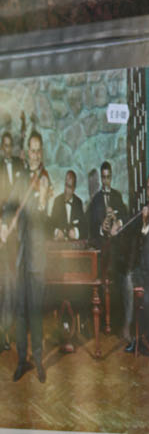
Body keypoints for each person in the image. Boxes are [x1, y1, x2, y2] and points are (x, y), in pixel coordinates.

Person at [0, 131, 51, 382]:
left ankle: (38, 360)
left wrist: (42, 201)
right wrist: (3, 224)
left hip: (37, 257)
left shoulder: (45, 179)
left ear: (42, 153)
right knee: (20, 311)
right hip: (20, 257)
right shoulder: (21, 178)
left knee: (35, 311)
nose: (35, 154)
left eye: (38, 150)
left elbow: (44, 220)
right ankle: (22, 361)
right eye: (32, 150)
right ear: (27, 152)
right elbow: (10, 205)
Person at [115, 172, 149, 370]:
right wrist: (121, 224)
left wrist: (146, 222)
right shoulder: (146, 211)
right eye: (148, 189)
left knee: (147, 303)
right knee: (126, 281)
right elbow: (134, 228)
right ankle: (134, 337)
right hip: (142, 269)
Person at [88, 160, 126, 333]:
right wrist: (101, 228)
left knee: (117, 284)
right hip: (103, 250)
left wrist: (117, 221)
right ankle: (104, 323)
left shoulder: (117, 196)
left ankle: (117, 323)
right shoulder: (96, 200)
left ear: (111, 177)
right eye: (103, 178)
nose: (106, 181)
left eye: (108, 177)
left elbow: (125, 217)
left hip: (116, 250)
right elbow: (91, 227)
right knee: (103, 285)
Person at [0, 133, 22, 352]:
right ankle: (3, 333)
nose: (7, 150)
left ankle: (11, 330)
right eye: (5, 146)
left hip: (15, 233)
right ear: (1, 148)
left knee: (13, 283)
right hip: (2, 234)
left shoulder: (18, 165)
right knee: (4, 284)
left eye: (10, 146)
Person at [51, 170, 84, 241]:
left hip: (74, 245)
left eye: (69, 187)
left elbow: (83, 226)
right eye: (66, 185)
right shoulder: (57, 201)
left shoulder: (78, 203)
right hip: (60, 245)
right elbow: (51, 224)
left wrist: (76, 232)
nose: (66, 190)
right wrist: (56, 232)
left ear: (74, 188)